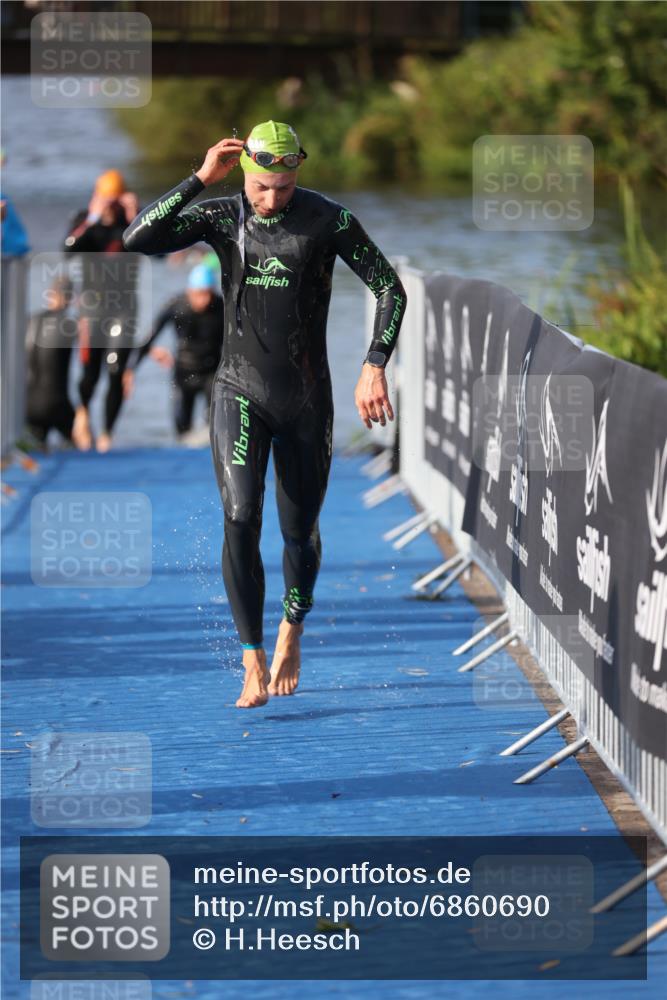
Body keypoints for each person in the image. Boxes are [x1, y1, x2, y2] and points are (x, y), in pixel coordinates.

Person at [123, 120, 406, 708]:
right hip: (238, 389)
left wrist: (375, 363)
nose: (272, 200)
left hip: (306, 397)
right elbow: (137, 238)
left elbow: (389, 287)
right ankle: (251, 656)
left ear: (297, 172)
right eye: (261, 188)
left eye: (284, 188)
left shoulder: (328, 220)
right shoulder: (222, 215)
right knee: (240, 515)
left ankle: (291, 629)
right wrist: (200, 179)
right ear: (245, 172)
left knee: (299, 531)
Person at [63, 169, 140, 452]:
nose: (110, 205)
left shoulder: (130, 221)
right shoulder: (85, 219)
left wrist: (135, 217)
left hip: (124, 307)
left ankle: (107, 432)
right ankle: (83, 413)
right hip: (93, 308)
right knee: (91, 372)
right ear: (97, 196)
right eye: (106, 199)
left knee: (116, 370)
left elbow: (155, 252)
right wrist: (93, 218)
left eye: (114, 199)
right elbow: (68, 250)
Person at [123, 263, 224, 437]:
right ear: (190, 291)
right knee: (182, 428)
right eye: (199, 294)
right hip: (183, 373)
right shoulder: (177, 305)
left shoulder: (221, 306)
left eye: (207, 294)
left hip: (211, 373)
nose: (204, 300)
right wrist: (131, 369)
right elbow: (149, 335)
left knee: (214, 425)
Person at [24, 277, 78, 449]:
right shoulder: (69, 324)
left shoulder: (30, 321)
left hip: (29, 404)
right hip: (58, 404)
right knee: (84, 445)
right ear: (69, 298)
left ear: (50, 295)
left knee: (38, 450)